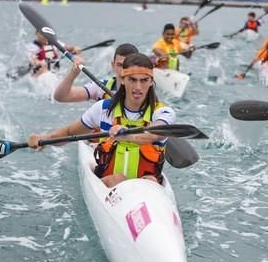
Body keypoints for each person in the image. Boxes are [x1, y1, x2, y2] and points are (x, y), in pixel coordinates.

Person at [28, 53, 175, 188]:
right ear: (122, 79)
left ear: (151, 82)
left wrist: (126, 136)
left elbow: (156, 134)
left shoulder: (162, 112)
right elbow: (69, 132)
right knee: (118, 179)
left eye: (144, 80)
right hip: (109, 184)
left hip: (147, 189)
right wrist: (45, 139)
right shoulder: (103, 109)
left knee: (150, 181)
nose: (138, 87)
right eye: (132, 80)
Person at [53, 43, 139, 102]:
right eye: (120, 65)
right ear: (113, 65)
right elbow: (61, 97)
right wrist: (73, 73)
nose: (123, 71)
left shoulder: (147, 89)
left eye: (128, 65)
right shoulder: (101, 87)